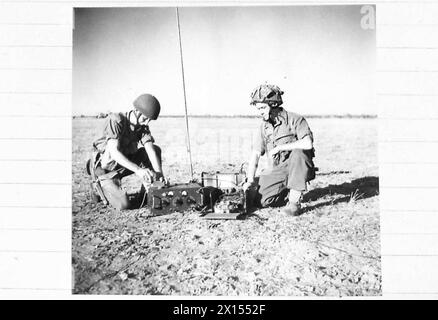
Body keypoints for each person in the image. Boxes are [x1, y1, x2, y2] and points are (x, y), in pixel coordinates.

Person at [243, 84, 316, 216]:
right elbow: (255, 154)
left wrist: (280, 148)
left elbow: (307, 143)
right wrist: (249, 180)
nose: (260, 112)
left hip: (299, 166)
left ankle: (294, 203)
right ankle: (285, 192)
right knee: (260, 201)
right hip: (279, 170)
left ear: (274, 104)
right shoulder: (264, 127)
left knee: (299, 152)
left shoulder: (295, 119)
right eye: (258, 108)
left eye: (263, 108)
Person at [86, 93, 164, 210]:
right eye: (144, 118)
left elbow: (150, 150)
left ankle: (147, 194)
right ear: (136, 111)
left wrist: (159, 174)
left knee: (156, 150)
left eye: (149, 120)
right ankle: (97, 186)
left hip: (123, 165)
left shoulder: (141, 127)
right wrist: (138, 170)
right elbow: (114, 153)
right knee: (123, 205)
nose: (146, 123)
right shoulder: (116, 120)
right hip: (106, 169)